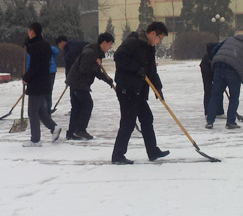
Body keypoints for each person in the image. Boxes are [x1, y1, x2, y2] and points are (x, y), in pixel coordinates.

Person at [111, 22, 170, 165]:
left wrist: (158, 88)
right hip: (127, 89)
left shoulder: (149, 48)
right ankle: (118, 155)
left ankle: (152, 151)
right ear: (153, 33)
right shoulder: (133, 42)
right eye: (160, 38)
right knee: (128, 123)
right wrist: (136, 69)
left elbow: (151, 71)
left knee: (147, 118)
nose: (159, 41)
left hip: (138, 90)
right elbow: (119, 56)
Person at [66, 33, 114, 141]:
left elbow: (96, 71)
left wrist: (107, 80)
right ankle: (80, 130)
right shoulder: (90, 52)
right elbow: (84, 69)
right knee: (87, 104)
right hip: (78, 82)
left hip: (77, 82)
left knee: (76, 108)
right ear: (104, 42)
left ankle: (71, 133)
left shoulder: (96, 52)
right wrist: (96, 64)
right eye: (109, 44)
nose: (110, 47)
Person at [206, 32, 243, 130]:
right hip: (234, 71)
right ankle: (230, 122)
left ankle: (210, 121)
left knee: (215, 95)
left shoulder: (229, 39)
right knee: (234, 97)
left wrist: (215, 61)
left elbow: (214, 50)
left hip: (219, 67)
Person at [22, 22, 62, 147]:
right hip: (45, 80)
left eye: (29, 31)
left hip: (36, 82)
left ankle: (35, 139)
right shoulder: (45, 45)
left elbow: (34, 65)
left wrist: (26, 77)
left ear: (32, 32)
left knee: (32, 111)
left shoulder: (36, 47)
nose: (28, 33)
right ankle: (53, 128)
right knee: (38, 109)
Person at [200, 42, 225, 118]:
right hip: (206, 71)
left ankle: (219, 112)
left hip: (215, 69)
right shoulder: (208, 57)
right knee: (208, 90)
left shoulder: (220, 54)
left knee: (219, 90)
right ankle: (208, 112)